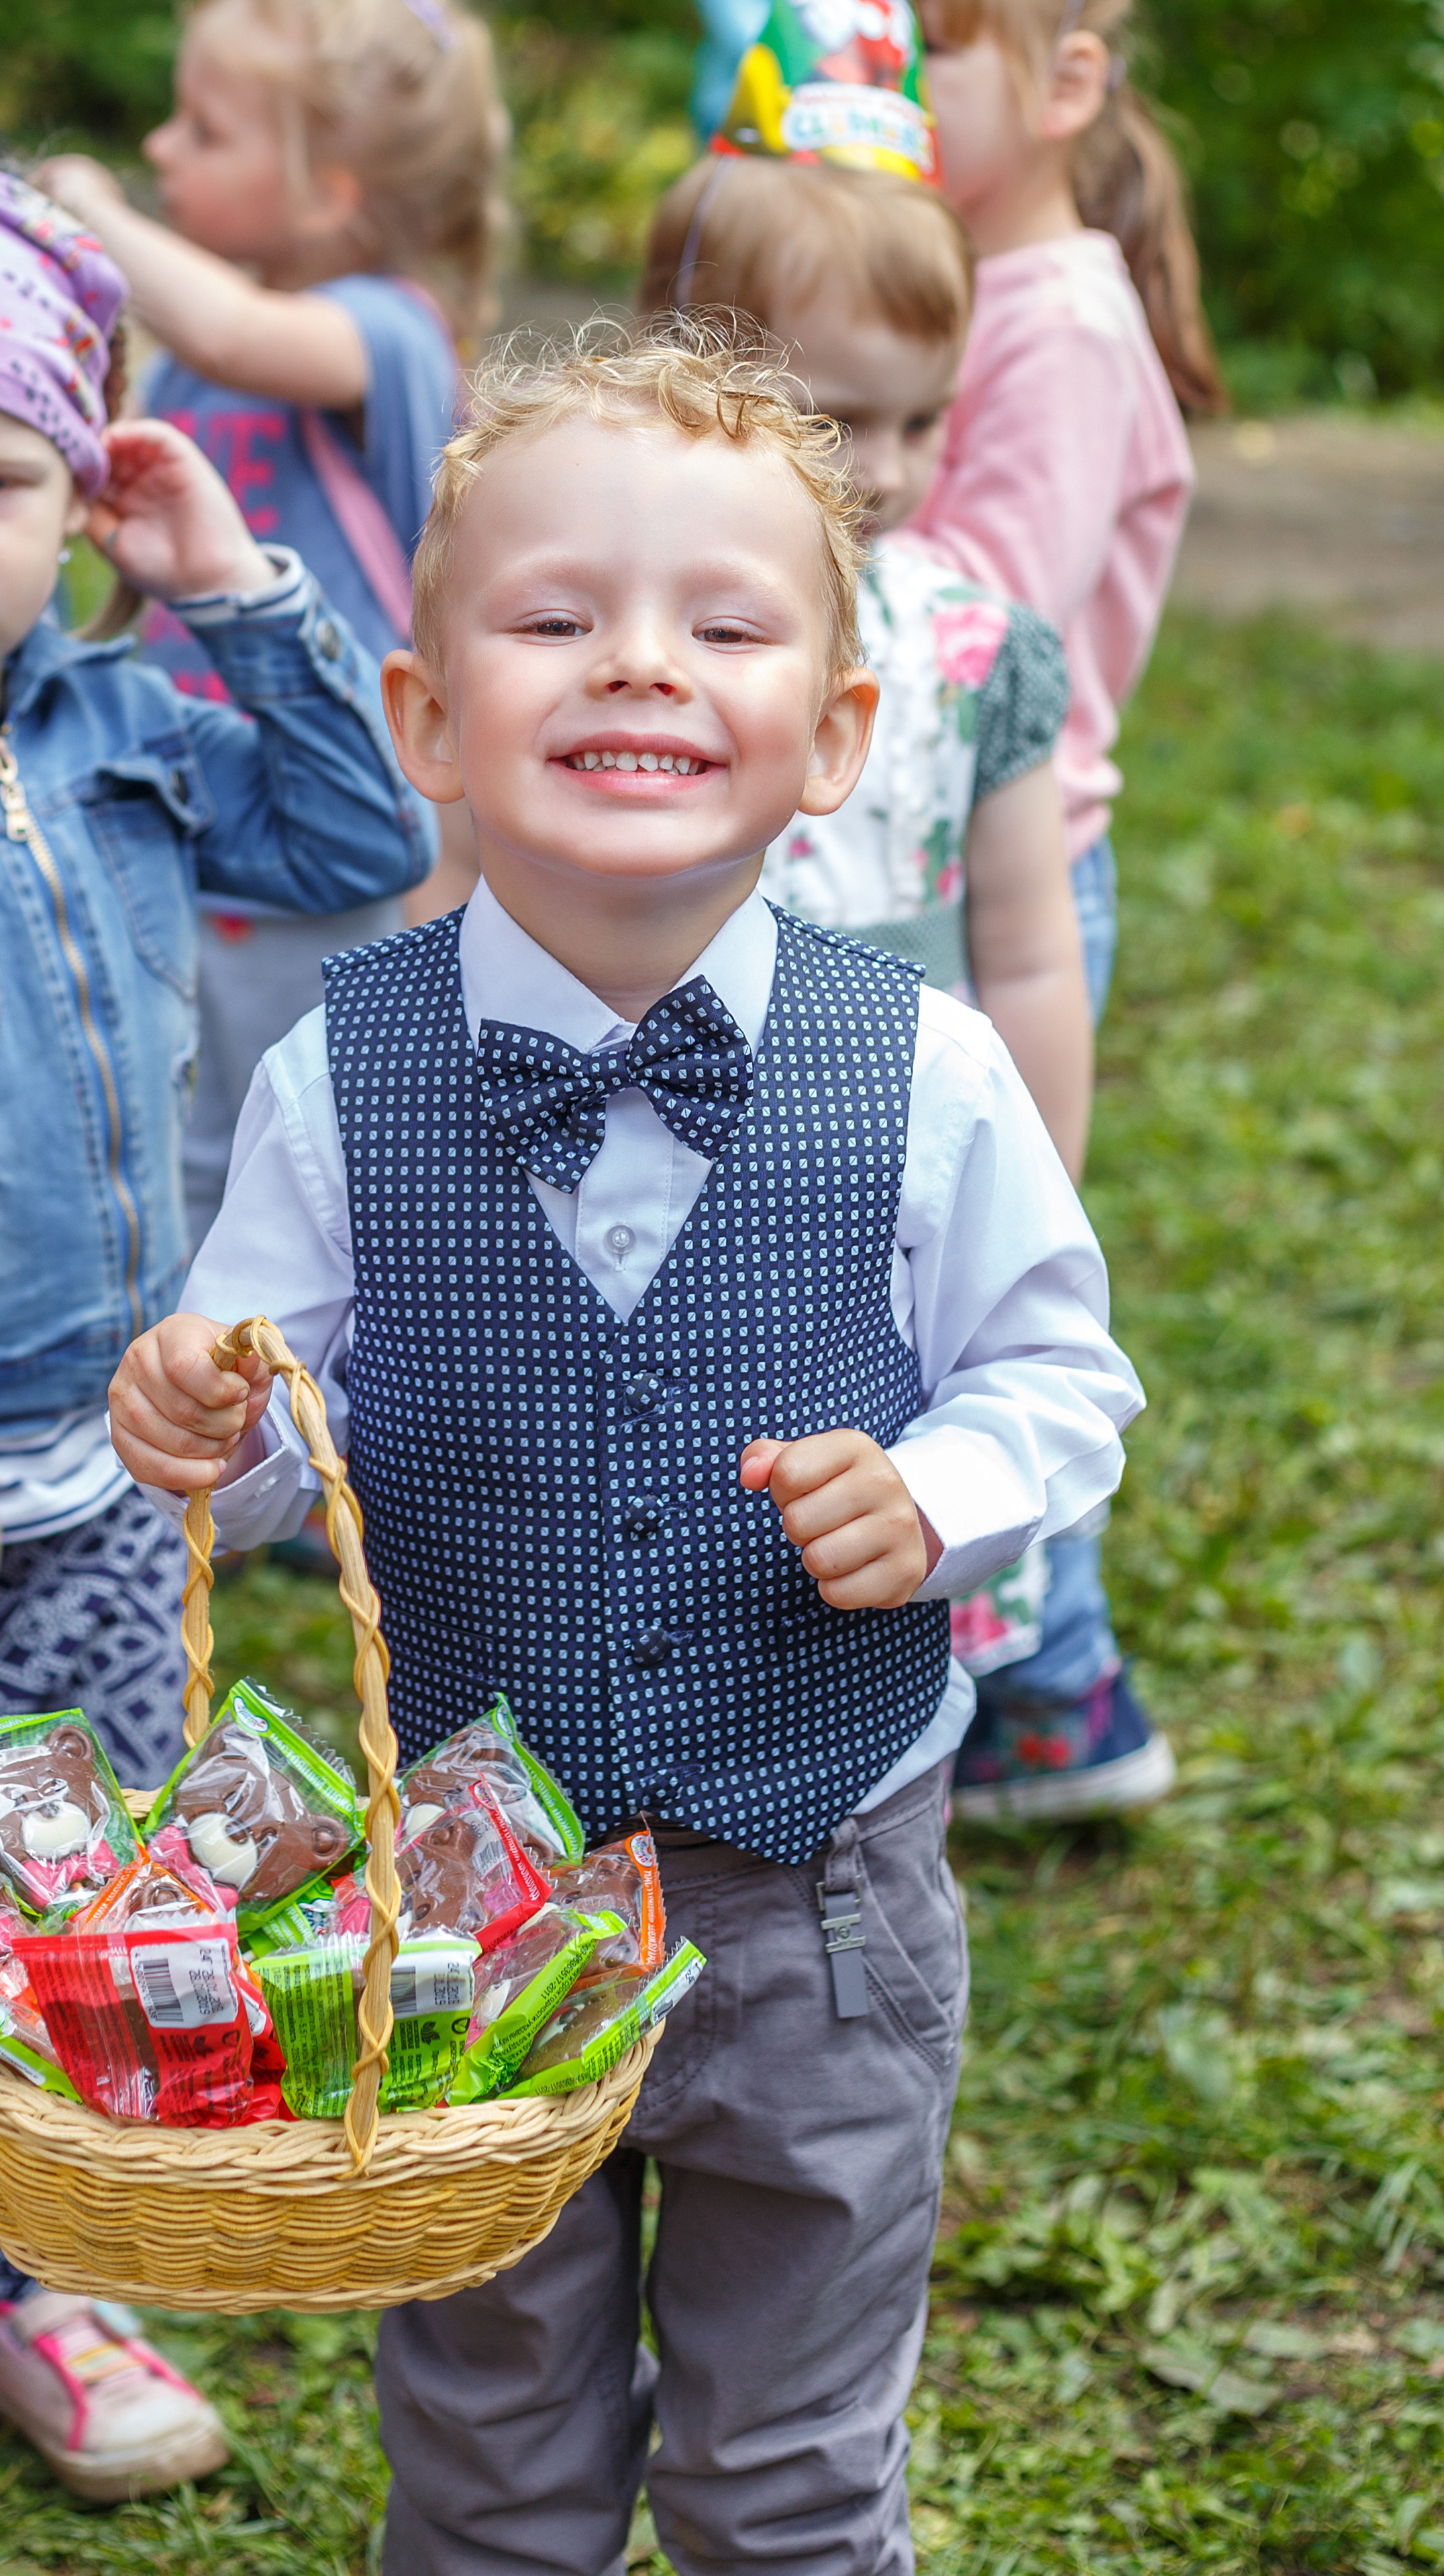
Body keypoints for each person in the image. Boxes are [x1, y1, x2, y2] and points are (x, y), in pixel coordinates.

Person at [107, 322, 1143, 2575]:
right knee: (489, 2461)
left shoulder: (929, 1064)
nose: (637, 667)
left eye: (725, 625)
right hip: (476, 1901)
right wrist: (209, 1418)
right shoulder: (339, 1070)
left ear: (838, 737)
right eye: (555, 618)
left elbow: (1063, 1383)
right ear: (427, 720)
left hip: (821, 1896)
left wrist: (940, 1496)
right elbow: (289, 1447)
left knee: (787, 2476)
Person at [0, 148, 429, 2576]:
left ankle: (37, 2282)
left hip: (121, 1456)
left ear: (78, 484)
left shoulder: (123, 716)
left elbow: (354, 836)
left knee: (101, 1901)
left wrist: (223, 579)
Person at [892, 0, 1218, 1819]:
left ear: (1065, 80)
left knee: (998, 1276)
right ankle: (1039, 1686)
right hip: (924, 862)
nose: (869, 81)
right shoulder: (970, 290)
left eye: (925, 47)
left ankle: (1061, 1696)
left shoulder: (1065, 321)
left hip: (1006, 869)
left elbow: (982, 620)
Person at [38, 0, 505, 1247]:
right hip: (198, 814)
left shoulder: (389, 332)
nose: (163, 146)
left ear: (327, 191)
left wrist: (92, 208)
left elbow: (238, 327)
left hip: (339, 827)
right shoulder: (193, 362)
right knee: (190, 1120)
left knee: (339, 1140)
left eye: (206, 129)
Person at [641, 156, 1092, 1177]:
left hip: (896, 1143)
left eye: (924, 421)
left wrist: (1040, 1200)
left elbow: (1028, 955)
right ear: (679, 379)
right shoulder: (609, 645)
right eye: (837, 422)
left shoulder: (975, 652)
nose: (887, 471)